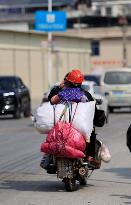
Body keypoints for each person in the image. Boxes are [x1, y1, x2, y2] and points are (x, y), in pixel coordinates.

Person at [47, 69, 108, 168]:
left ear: (67, 82)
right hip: (79, 127)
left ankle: (51, 157)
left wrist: (58, 87)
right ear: (80, 82)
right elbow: (93, 111)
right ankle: (90, 157)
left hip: (63, 125)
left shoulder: (62, 94)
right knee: (91, 132)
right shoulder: (85, 95)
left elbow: (51, 100)